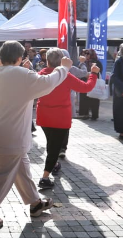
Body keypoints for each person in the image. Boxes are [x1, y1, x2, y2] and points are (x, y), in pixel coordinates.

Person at [0, 41, 70, 230]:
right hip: (13, 134)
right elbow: (48, 83)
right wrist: (63, 68)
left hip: (0, 130)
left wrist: (14, 68)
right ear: (19, 57)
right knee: (1, 178)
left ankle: (35, 204)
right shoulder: (23, 75)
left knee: (21, 168)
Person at [36, 50, 100, 188]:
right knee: (54, 147)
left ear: (47, 61)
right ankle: (45, 177)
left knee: (51, 143)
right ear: (62, 62)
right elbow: (86, 87)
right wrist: (94, 74)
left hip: (44, 115)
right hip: (60, 117)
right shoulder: (65, 76)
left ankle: (54, 165)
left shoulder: (41, 74)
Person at [78, 49, 103, 120]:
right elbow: (78, 71)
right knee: (84, 99)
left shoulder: (97, 62)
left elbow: (99, 71)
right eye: (84, 54)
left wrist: (92, 73)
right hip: (83, 82)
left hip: (94, 83)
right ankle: (84, 114)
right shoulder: (82, 62)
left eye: (87, 54)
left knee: (94, 99)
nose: (86, 55)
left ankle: (94, 115)